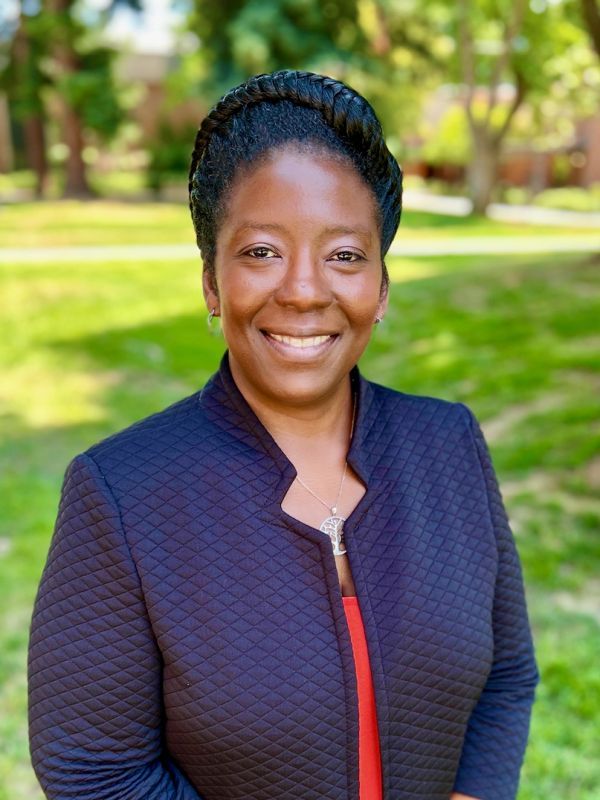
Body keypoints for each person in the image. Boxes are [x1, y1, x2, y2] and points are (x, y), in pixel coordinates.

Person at [28, 69, 539, 800]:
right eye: (262, 251)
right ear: (211, 280)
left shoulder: (447, 444)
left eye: (345, 255)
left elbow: (506, 679)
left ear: (383, 287)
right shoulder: (123, 495)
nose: (303, 290)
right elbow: (97, 773)